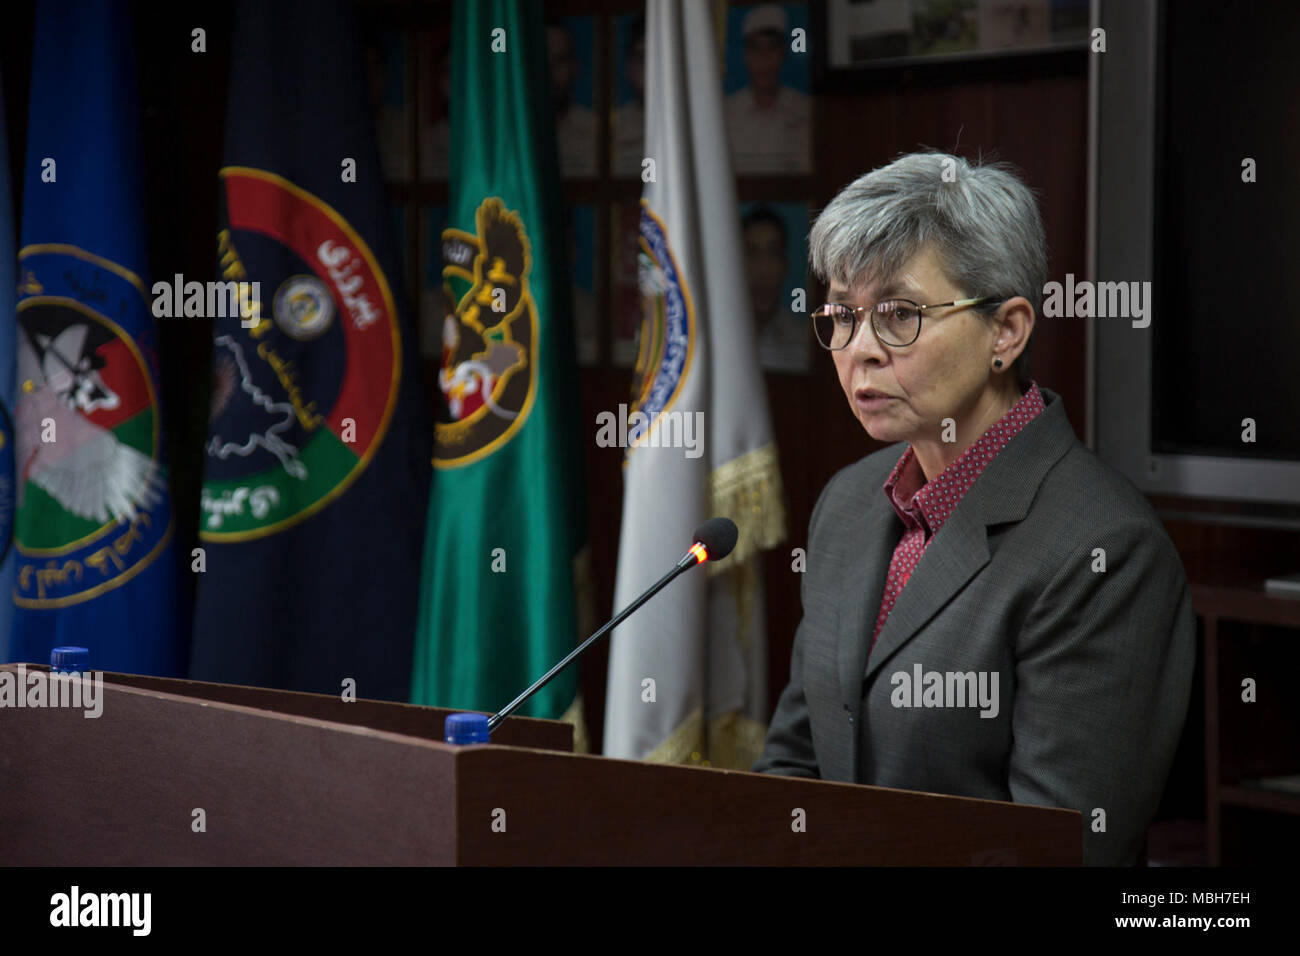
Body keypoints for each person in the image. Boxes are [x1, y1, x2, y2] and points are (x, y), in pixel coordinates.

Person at [751, 151, 1196, 866]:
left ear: (1007, 331)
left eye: (898, 315)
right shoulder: (846, 504)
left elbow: (1056, 850)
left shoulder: (1105, 549)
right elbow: (793, 771)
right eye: (841, 315)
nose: (858, 350)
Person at [724, 4, 810, 174]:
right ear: (746, 55)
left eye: (772, 47)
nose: (764, 58)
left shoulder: (803, 109)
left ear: (783, 52)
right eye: (756, 48)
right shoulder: (726, 111)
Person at [741, 204, 808, 371]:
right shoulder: (719, 336)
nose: (762, 269)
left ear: (785, 266)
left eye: (772, 253)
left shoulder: (800, 342)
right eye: (751, 252)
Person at [547, 19, 597, 178]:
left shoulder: (596, 130)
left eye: (560, 61)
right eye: (542, 61)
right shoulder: (510, 135)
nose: (550, 72)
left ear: (574, 67)